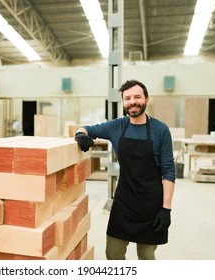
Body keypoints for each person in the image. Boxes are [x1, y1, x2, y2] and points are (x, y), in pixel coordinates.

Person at [74, 79, 175, 260]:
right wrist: (80, 134)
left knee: (146, 255)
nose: (132, 102)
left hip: (151, 204)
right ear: (123, 102)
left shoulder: (161, 130)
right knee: (113, 253)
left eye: (137, 97)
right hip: (124, 202)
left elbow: (168, 171)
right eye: (127, 98)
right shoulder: (117, 126)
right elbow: (86, 129)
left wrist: (166, 209)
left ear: (147, 100)